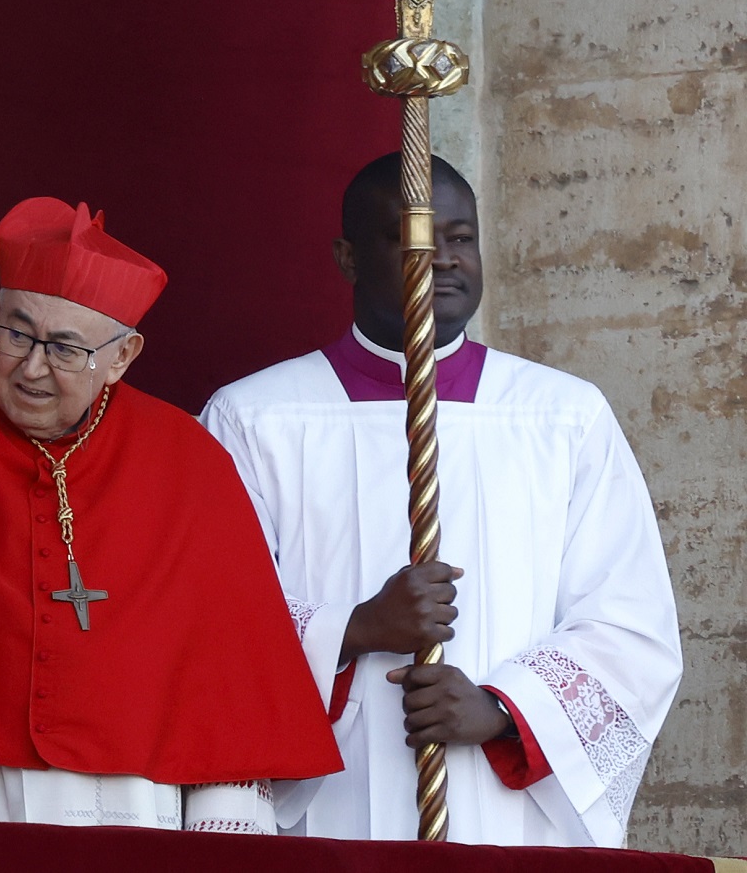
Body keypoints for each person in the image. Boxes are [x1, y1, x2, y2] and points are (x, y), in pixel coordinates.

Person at [0, 197, 340, 828]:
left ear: (123, 356)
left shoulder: (193, 468)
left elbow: (229, 704)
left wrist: (215, 846)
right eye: (17, 334)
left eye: (65, 349)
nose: (32, 367)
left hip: (146, 822)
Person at [201, 153, 682, 845]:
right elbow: (210, 617)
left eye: (461, 238)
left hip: (503, 811)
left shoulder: (562, 417)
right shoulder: (254, 418)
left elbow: (630, 625)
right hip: (329, 805)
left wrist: (503, 710)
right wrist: (355, 628)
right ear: (348, 258)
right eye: (416, 239)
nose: (446, 259)